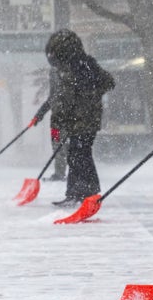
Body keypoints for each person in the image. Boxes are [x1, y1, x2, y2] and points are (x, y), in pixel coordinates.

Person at [33, 29, 114, 207]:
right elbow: (59, 97)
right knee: (75, 153)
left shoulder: (82, 66)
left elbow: (107, 82)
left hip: (84, 120)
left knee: (80, 153)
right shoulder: (70, 68)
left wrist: (89, 95)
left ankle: (88, 193)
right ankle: (76, 193)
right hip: (72, 119)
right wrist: (45, 113)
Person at [36, 67, 68, 182]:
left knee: (67, 148)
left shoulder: (70, 69)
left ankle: (77, 175)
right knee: (56, 146)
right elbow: (51, 98)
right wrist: (39, 115)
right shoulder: (53, 70)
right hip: (55, 122)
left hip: (68, 120)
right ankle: (59, 173)